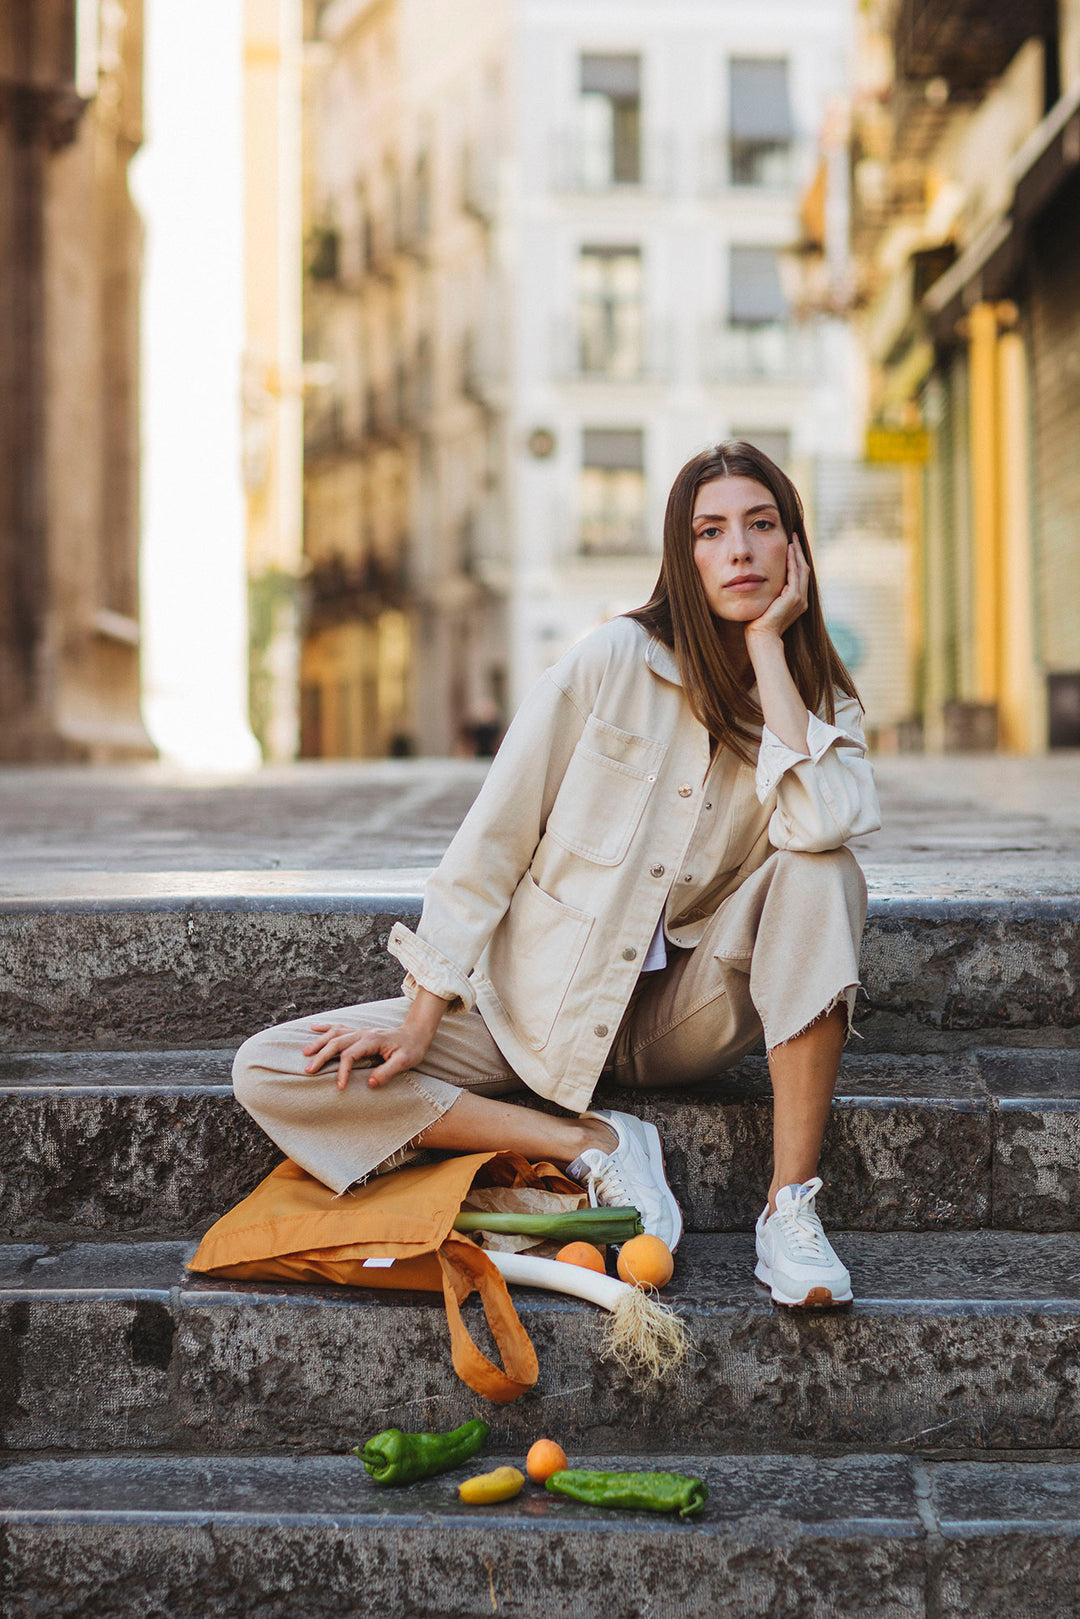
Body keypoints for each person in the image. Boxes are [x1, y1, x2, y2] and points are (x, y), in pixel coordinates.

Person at [233, 442, 881, 1309]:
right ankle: (589, 1140)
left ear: (794, 549)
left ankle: (789, 1209)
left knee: (821, 869)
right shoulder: (613, 660)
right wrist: (423, 1015)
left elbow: (824, 822)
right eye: (711, 530)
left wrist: (770, 652)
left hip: (678, 1017)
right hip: (530, 1007)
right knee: (270, 1067)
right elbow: (493, 836)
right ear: (681, 556)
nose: (739, 550)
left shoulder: (820, 705)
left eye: (762, 526)